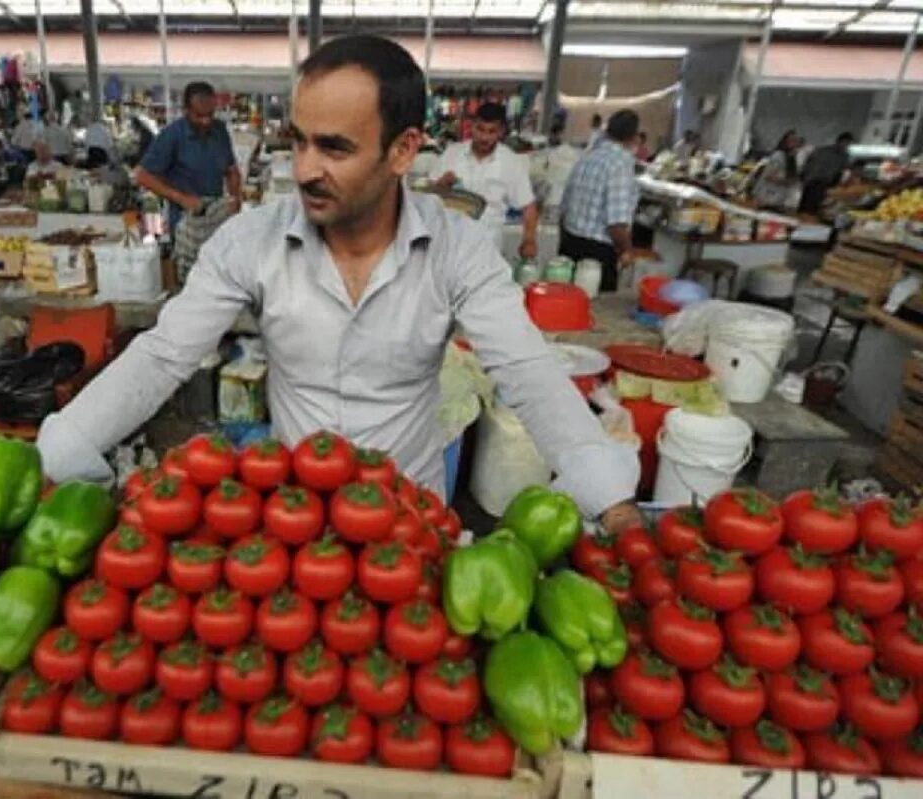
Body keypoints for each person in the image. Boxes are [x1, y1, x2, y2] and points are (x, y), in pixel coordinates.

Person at [36, 35, 642, 532]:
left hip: (410, 523)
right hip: (294, 523)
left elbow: (529, 374)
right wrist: (64, 449)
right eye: (297, 140)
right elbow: (165, 356)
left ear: (404, 150)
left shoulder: (459, 251)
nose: (304, 169)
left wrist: (611, 502)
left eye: (334, 147)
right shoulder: (250, 242)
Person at [428, 102, 538, 258]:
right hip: (449, 244)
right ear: (472, 126)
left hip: (488, 248)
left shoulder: (511, 162)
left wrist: (529, 240)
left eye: (492, 131)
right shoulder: (452, 154)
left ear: (501, 132)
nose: (484, 137)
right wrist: (441, 185)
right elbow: (428, 196)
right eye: (480, 129)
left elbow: (528, 206)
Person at [134, 82, 243, 234]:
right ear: (186, 110)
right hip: (184, 221)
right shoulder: (172, 135)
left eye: (210, 115)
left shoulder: (219, 130)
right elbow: (142, 176)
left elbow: (231, 170)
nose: (206, 121)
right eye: (199, 116)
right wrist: (181, 198)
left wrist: (235, 198)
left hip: (215, 217)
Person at [559, 109, 641, 293]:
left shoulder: (587, 158)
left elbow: (564, 207)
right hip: (597, 254)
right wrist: (626, 251)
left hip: (570, 244)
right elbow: (616, 223)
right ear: (633, 137)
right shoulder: (620, 164)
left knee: (566, 305)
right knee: (596, 311)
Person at [799, 132, 854, 215]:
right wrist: (804, 175)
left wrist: (836, 183)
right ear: (839, 141)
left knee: (813, 207)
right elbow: (809, 163)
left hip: (824, 183)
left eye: (848, 144)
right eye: (846, 143)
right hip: (812, 180)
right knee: (805, 205)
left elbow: (843, 171)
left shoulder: (844, 156)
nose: (846, 145)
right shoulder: (823, 150)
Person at [752, 129, 803, 211]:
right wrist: (786, 181)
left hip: (781, 199)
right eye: (792, 141)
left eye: (796, 141)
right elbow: (770, 176)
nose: (794, 143)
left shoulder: (792, 159)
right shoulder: (778, 156)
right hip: (768, 197)